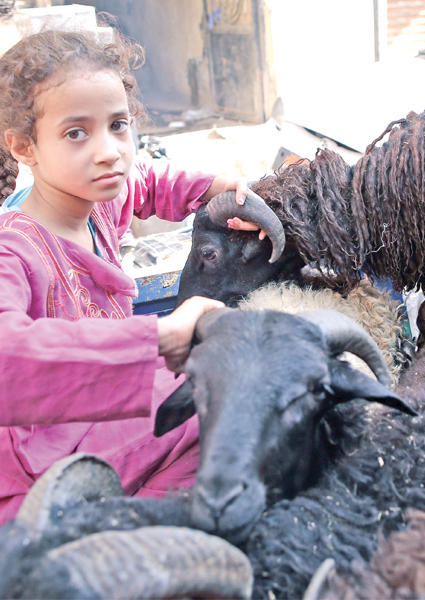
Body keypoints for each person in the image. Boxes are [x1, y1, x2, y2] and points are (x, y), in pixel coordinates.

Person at [0, 28, 262, 524]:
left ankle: (141, 517)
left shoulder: (99, 197)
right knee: (215, 411)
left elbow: (146, 183)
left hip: (103, 410)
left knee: (227, 399)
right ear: (24, 147)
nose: (109, 151)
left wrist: (212, 187)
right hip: (35, 461)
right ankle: (117, 530)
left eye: (118, 125)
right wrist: (160, 337)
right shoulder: (13, 249)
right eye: (76, 132)